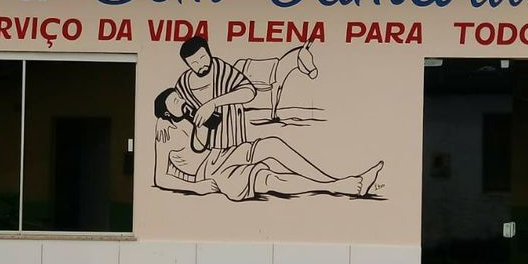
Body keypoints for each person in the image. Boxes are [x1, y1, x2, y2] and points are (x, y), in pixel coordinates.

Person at [153, 88, 383, 201]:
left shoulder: (187, 118)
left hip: (218, 156)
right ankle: (342, 185)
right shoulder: (163, 132)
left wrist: (200, 122)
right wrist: (197, 186)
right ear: (166, 112)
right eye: (175, 101)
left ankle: (338, 182)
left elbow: (200, 146)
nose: (181, 101)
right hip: (209, 172)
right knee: (267, 179)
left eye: (180, 97)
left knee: (272, 144)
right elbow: (160, 177)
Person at [156, 36, 256, 150]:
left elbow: (249, 91)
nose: (200, 65)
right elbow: (171, 105)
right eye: (194, 63)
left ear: (209, 53)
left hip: (231, 140)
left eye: (203, 58)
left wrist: (213, 104)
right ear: (188, 64)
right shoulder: (183, 83)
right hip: (201, 148)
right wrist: (162, 120)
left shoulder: (222, 70)